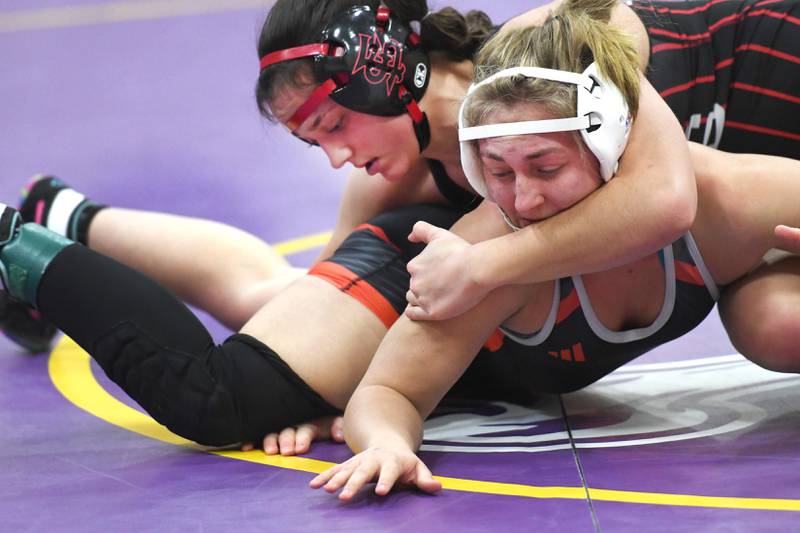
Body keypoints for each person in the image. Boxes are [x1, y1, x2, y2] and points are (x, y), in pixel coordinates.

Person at [3, 0, 798, 452]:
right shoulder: (427, 170)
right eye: (502, 170)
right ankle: (53, 223)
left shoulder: (564, 56)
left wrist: (484, 268)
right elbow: (296, 294)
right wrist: (328, 372)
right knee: (272, 313)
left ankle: (55, 220)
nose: (339, 160)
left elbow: (664, 198)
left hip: (770, 88)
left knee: (773, 320)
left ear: (384, 76)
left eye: (337, 125)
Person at [308, 10, 800, 501]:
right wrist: (386, 443)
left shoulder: (721, 197)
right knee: (280, 341)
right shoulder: (479, 253)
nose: (523, 201)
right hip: (430, 346)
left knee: (779, 322)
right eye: (498, 173)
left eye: (546, 168)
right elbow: (388, 390)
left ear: (607, 143)